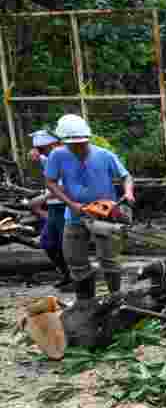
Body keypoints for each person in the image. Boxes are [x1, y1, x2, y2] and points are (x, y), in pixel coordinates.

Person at [44, 114, 134, 302]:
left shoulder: (104, 155)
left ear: (88, 139)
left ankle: (115, 298)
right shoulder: (57, 155)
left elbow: (126, 176)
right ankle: (85, 303)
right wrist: (71, 204)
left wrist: (128, 192)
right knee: (75, 260)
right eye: (74, 145)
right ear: (64, 142)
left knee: (109, 260)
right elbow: (50, 181)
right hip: (75, 215)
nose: (78, 147)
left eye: (82, 144)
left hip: (105, 215)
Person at [29, 129, 73, 289]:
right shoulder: (49, 157)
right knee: (47, 242)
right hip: (54, 207)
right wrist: (36, 153)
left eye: (43, 149)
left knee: (66, 244)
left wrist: (44, 198)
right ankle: (66, 274)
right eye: (40, 150)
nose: (43, 153)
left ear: (54, 144)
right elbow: (40, 158)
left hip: (65, 205)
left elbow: (66, 184)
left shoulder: (66, 157)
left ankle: (75, 278)